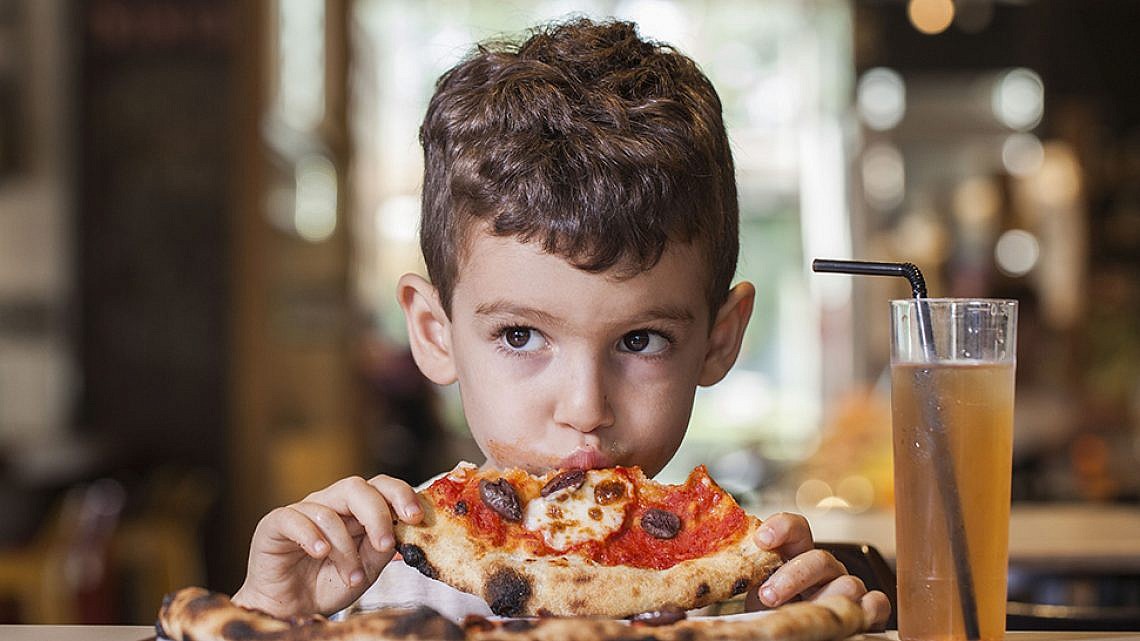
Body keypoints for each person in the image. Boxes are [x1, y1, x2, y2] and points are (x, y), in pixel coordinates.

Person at [232, 17, 891, 627]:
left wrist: (798, 623)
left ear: (720, 339)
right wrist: (264, 618)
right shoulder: (358, 581)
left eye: (641, 340)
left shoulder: (743, 591)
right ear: (435, 332)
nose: (585, 407)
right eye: (520, 335)